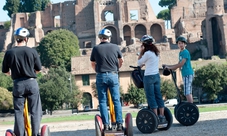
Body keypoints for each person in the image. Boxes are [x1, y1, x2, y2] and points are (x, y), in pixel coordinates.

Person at [2, 27, 42, 136]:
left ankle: (20, 134)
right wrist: (30, 71)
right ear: (26, 39)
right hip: (31, 82)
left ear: (16, 39)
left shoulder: (9, 53)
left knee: (18, 111)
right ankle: (35, 134)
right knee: (35, 110)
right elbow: (38, 69)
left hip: (18, 84)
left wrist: (13, 74)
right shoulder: (32, 51)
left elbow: (5, 71)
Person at [90, 28, 124, 131]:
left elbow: (92, 63)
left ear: (100, 38)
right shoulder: (115, 47)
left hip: (101, 76)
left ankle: (106, 124)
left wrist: (96, 70)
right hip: (113, 75)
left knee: (103, 101)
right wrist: (118, 68)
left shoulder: (95, 48)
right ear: (109, 38)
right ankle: (119, 124)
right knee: (116, 100)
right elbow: (121, 60)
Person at [137, 35, 167, 124]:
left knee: (151, 97)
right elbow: (150, 62)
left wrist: (141, 53)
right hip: (156, 76)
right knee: (158, 96)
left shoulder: (146, 53)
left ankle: (155, 117)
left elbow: (139, 63)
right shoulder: (156, 53)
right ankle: (162, 116)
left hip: (149, 77)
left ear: (144, 45)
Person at [163, 36, 194, 103]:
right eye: (179, 43)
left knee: (187, 92)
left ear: (185, 44)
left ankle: (191, 106)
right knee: (187, 91)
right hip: (184, 73)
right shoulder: (181, 53)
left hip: (188, 73)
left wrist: (169, 67)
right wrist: (168, 66)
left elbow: (181, 64)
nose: (180, 45)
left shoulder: (185, 52)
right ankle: (191, 105)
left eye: (182, 43)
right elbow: (178, 64)